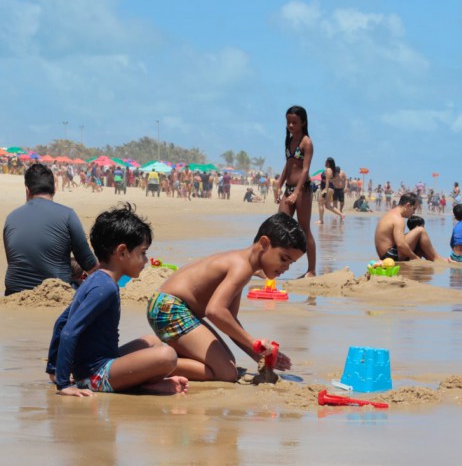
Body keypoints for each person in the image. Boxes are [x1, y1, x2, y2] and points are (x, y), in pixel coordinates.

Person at [46, 203, 189, 397]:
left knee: (151, 341)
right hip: (94, 376)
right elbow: (69, 331)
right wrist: (63, 384)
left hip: (98, 365)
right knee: (168, 356)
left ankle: (143, 384)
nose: (146, 261)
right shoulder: (105, 287)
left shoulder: (95, 279)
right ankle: (143, 387)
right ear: (122, 252)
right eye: (143, 253)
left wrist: (53, 369)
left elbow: (61, 322)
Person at [146, 212, 304, 382]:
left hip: (167, 307)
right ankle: (147, 363)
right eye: (283, 258)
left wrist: (259, 356)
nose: (286, 267)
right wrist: (253, 343)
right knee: (226, 373)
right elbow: (214, 311)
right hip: (170, 308)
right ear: (264, 243)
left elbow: (229, 320)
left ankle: (160, 356)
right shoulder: (241, 267)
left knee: (229, 363)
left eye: (291, 263)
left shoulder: (244, 265)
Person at [3, 163, 98, 295]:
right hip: (55, 293)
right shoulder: (68, 215)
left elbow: (18, 260)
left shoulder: (11, 218)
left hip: (14, 293)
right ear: (54, 189)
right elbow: (90, 264)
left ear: (27, 191)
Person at [275, 105, 316, 277]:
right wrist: (279, 184)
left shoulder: (306, 142)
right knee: (279, 225)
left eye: (294, 122)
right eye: (288, 122)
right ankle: (273, 265)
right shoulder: (289, 140)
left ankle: (311, 270)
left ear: (303, 123)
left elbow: (305, 170)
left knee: (304, 229)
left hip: (303, 190)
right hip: (288, 189)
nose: (291, 125)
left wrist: (296, 192)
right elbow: (289, 164)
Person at [374, 192, 441, 261]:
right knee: (420, 230)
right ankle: (437, 259)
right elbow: (400, 244)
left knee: (419, 241)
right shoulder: (398, 219)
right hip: (390, 256)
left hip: (385, 255)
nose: (414, 212)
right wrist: (414, 257)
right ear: (408, 205)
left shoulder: (391, 214)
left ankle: (432, 259)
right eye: (414, 209)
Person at [316, 157, 345, 224]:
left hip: (327, 188)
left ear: (328, 163)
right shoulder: (332, 170)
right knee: (328, 206)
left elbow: (327, 181)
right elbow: (333, 179)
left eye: (326, 161)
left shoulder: (328, 170)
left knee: (320, 203)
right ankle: (342, 214)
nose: (325, 162)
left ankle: (321, 220)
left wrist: (325, 190)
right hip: (330, 188)